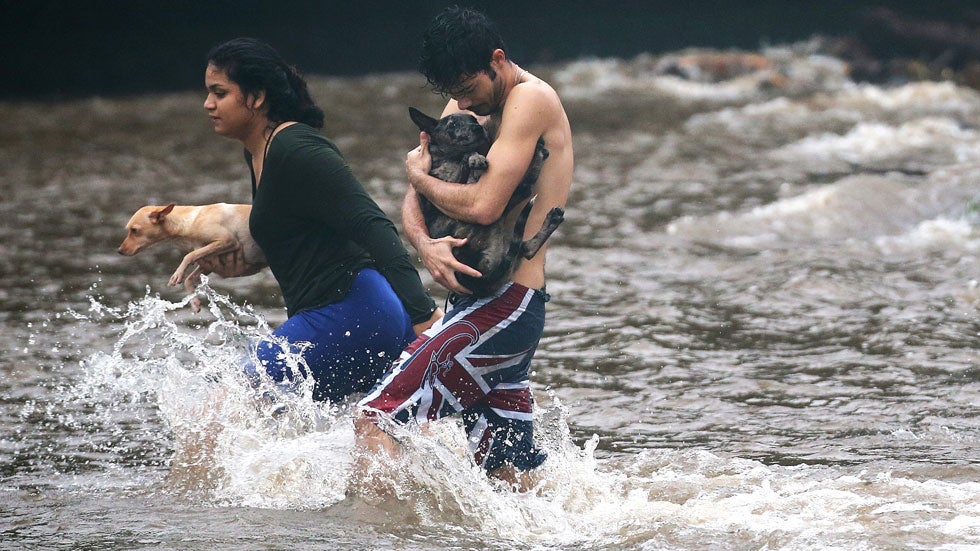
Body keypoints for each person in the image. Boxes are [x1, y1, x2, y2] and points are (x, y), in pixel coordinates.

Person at [354, 7, 574, 488]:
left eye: (470, 90)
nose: (464, 105)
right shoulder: (462, 105)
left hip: (507, 304)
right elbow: (418, 194)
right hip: (475, 304)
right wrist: (425, 244)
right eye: (454, 95)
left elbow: (484, 205)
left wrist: (415, 173)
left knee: (375, 418)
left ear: (497, 60)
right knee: (506, 479)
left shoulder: (530, 99)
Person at [198, 38, 442, 403]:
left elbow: (373, 226)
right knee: (364, 441)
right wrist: (245, 263)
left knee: (223, 400)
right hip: (349, 317)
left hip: (356, 312)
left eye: (220, 92)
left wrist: (425, 317)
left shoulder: (297, 148)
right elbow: (304, 235)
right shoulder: (259, 153)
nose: (208, 104)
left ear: (257, 96)